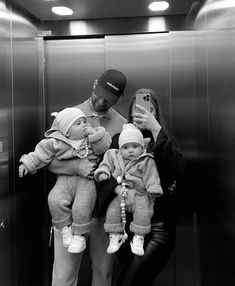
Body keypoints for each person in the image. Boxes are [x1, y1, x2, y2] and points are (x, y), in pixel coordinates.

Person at [47, 69, 127, 286]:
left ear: (118, 99)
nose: (101, 101)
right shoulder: (69, 115)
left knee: (103, 276)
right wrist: (77, 167)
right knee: (64, 278)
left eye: (109, 99)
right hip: (71, 209)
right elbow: (47, 160)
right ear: (94, 84)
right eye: (99, 94)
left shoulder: (122, 124)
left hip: (104, 212)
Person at [96, 88, 183, 286]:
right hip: (124, 229)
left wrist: (156, 129)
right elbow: (103, 173)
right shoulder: (120, 140)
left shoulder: (164, 141)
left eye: (149, 109)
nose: (143, 113)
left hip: (158, 229)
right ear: (131, 111)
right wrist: (122, 191)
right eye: (139, 108)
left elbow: (174, 174)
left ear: (156, 112)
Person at [18, 107, 111, 254]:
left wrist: (96, 134)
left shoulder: (89, 140)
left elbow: (104, 147)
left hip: (86, 181)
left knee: (82, 206)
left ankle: (79, 237)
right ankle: (65, 229)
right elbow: (41, 154)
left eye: (84, 122)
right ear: (67, 131)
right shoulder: (56, 142)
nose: (84, 125)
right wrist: (27, 164)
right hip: (64, 180)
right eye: (78, 123)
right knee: (54, 199)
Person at [94, 123, 163, 256]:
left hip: (140, 193)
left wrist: (153, 188)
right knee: (112, 211)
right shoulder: (113, 155)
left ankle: (139, 237)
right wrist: (103, 173)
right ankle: (114, 235)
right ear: (120, 148)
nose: (130, 150)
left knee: (143, 213)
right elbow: (105, 165)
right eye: (125, 147)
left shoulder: (146, 160)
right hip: (120, 193)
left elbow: (151, 175)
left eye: (135, 146)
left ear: (142, 147)